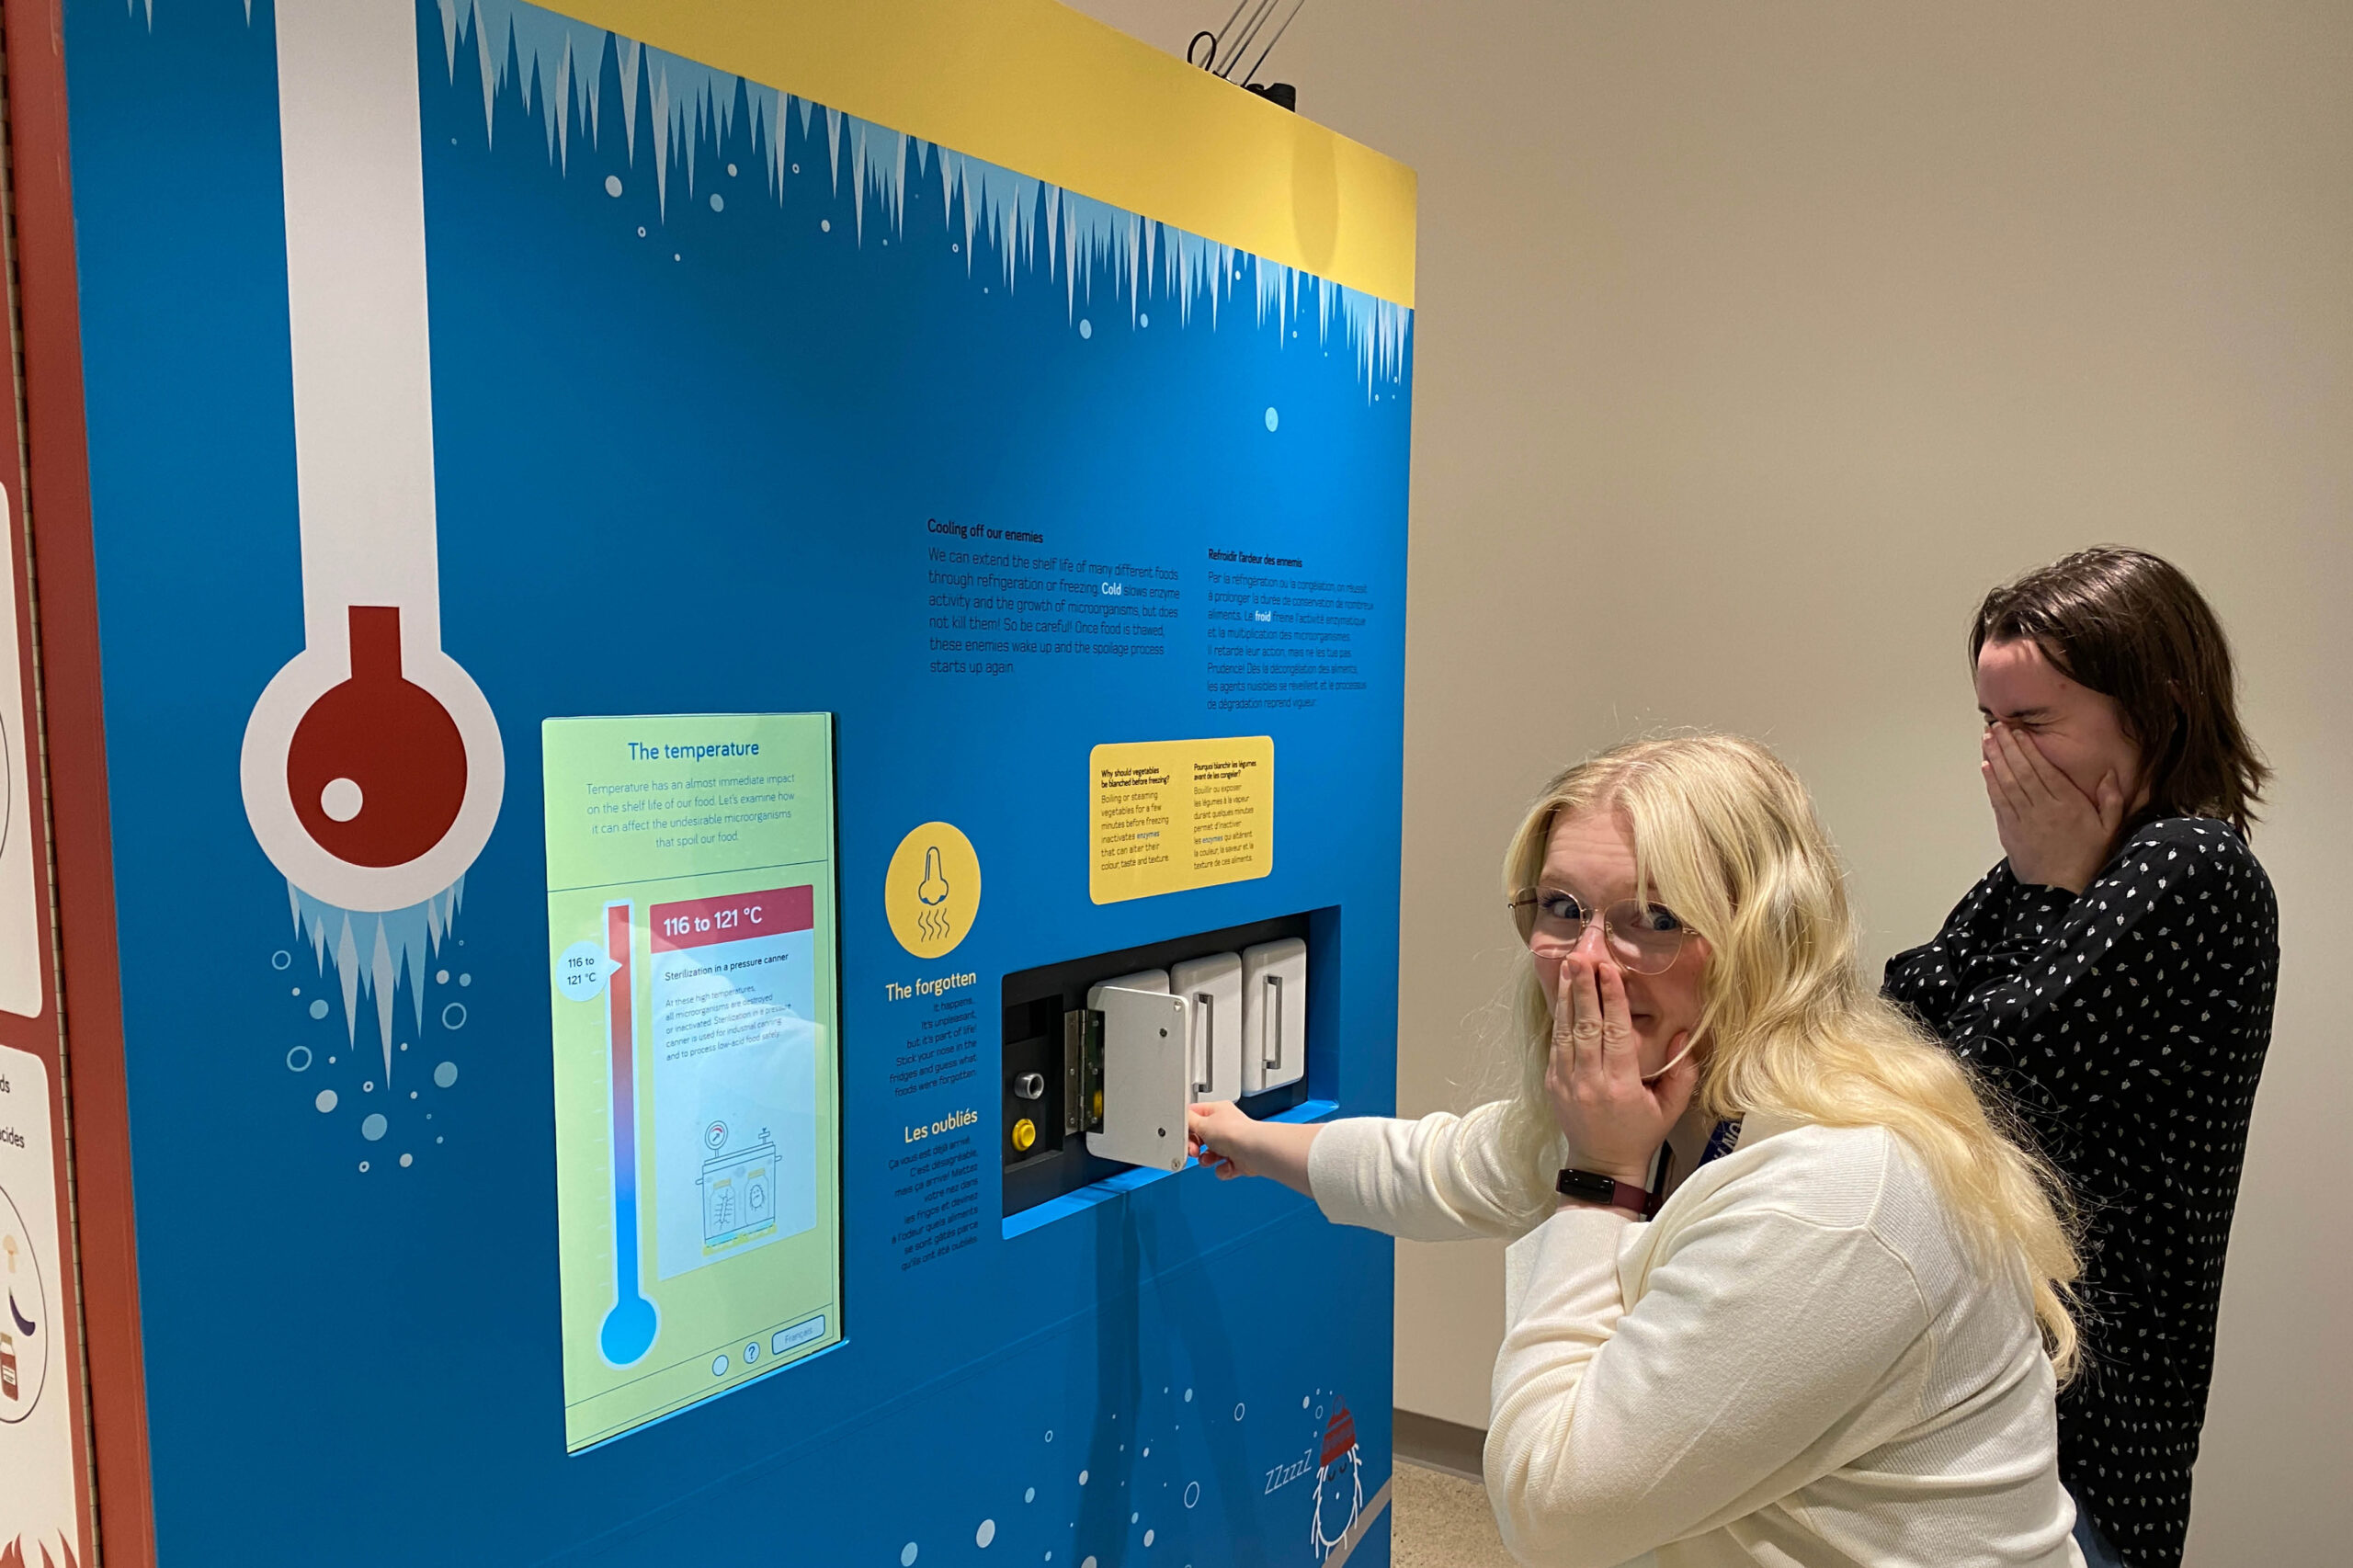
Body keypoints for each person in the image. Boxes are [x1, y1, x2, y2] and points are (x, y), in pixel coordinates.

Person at [1191, 734, 2087, 1568]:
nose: (1586, 961)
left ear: (1763, 935)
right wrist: (1248, 1138)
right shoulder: (1673, 1099)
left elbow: (1552, 1510)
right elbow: (1440, 1166)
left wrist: (1599, 1181)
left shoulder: (1840, 1193)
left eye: (1653, 916)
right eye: (1561, 908)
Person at [1883, 548, 2279, 1568]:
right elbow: (1891, 1034)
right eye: (1987, 721)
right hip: (1986, 1378)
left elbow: (1973, 1079)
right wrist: (2045, 882)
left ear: (2158, 711)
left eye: (2031, 723)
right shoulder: (2042, 867)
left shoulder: (2193, 867)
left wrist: (2055, 885)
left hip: (2093, 1424)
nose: (1997, 757)